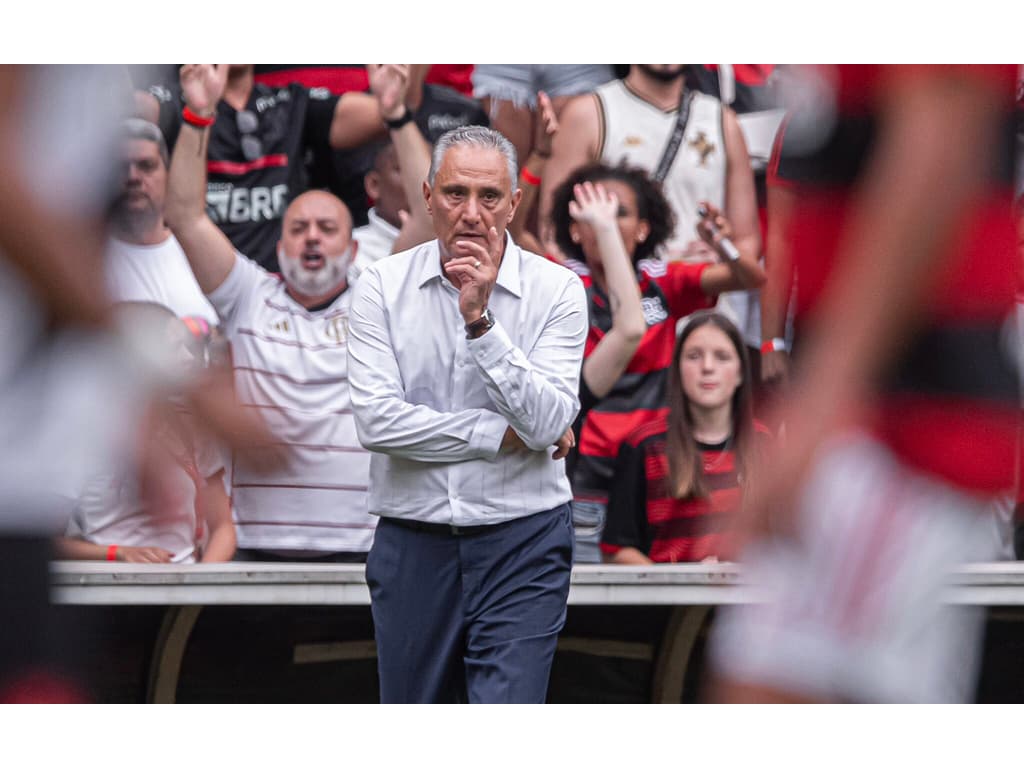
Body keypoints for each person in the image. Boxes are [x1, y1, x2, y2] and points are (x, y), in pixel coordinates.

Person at [708, 65, 1020, 703]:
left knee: (769, 700)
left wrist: (825, 409)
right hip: (873, 415)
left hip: (898, 423)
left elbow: (938, 147)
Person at [347, 125, 588, 703]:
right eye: (456, 194)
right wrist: (495, 433)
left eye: (489, 197)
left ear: (514, 203)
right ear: (427, 197)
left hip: (524, 538)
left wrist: (481, 323)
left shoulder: (558, 290)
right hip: (413, 539)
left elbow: (548, 422)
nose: (472, 213)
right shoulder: (379, 286)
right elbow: (376, 423)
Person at [165, 64, 384, 562]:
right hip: (255, 551)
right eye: (299, 226)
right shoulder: (247, 293)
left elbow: (431, 226)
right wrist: (199, 113)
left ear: (353, 250)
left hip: (362, 553)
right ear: (278, 243)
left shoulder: (379, 296)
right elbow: (183, 216)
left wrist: (399, 115)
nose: (311, 236)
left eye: (326, 228)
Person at [549, 162, 765, 561]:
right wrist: (539, 162)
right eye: (593, 213)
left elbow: (751, 277)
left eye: (619, 213)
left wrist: (721, 241)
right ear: (575, 228)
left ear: (644, 229)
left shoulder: (664, 283)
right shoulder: (559, 287)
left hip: (656, 479)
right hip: (585, 480)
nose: (605, 223)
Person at [138, 64, 396, 272]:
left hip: (281, 291)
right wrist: (198, 109)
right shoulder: (171, 99)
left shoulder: (291, 101)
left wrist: (394, 98)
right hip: (197, 281)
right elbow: (118, 115)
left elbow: (389, 113)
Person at [56, 303, 234, 564]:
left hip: (185, 591)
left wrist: (199, 589)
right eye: (172, 348)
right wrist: (117, 554)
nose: (187, 358)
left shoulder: (193, 428)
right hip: (104, 592)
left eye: (188, 346)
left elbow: (224, 528)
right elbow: (41, 543)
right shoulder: (82, 434)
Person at [541, 64, 760, 266]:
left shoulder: (723, 121)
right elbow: (553, 234)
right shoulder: (588, 114)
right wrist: (612, 283)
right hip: (620, 298)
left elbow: (747, 241)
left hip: (704, 294)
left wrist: (721, 254)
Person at [602, 310, 769, 564]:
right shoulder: (644, 446)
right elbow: (616, 549)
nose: (708, 367)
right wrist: (675, 589)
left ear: (741, 374)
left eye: (722, 357)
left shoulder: (764, 444)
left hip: (745, 599)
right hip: (665, 601)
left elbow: (784, 542)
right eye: (694, 356)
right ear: (677, 369)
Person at [105, 118, 217, 324]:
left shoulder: (202, 253)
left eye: (146, 166)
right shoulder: (84, 259)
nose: (133, 177)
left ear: (169, 174)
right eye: (120, 167)